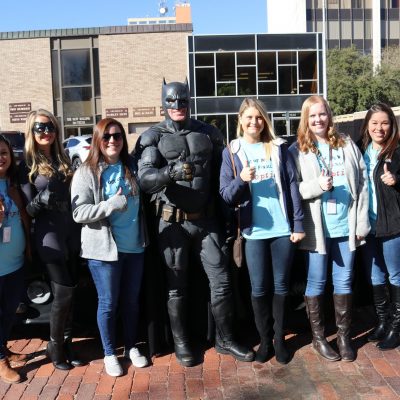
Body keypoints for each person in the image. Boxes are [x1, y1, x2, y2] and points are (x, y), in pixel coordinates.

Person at [135, 79, 254, 367]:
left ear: (190, 101)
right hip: (171, 222)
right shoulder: (152, 137)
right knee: (176, 287)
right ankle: (181, 344)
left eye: (183, 100)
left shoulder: (209, 133)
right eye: (172, 101)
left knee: (222, 282)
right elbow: (144, 179)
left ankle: (225, 340)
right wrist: (169, 173)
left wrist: (228, 219)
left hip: (207, 220)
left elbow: (222, 177)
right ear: (163, 102)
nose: (178, 106)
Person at [219, 98, 305, 364]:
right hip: (253, 231)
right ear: (240, 121)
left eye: (259, 118)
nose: (254, 122)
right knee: (258, 288)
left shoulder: (279, 148)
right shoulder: (232, 152)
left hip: (282, 230)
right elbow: (226, 195)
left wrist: (298, 224)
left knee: (281, 286)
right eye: (249, 118)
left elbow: (293, 186)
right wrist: (241, 180)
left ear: (265, 121)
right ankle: (265, 340)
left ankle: (280, 341)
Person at [289, 95, 370, 362]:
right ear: (306, 119)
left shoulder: (346, 144)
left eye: (322, 114)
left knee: (344, 280)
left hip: (346, 227)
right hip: (317, 230)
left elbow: (363, 184)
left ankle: (344, 337)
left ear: (329, 115)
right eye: (312, 116)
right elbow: (295, 190)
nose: (318, 120)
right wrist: (317, 187)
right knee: (317, 281)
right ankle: (319, 338)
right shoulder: (297, 150)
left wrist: (361, 222)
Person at [71, 118, 149, 377]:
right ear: (98, 140)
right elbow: (79, 212)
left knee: (131, 302)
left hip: (134, 247)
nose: (113, 141)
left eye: (117, 136)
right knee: (108, 303)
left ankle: (130, 347)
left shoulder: (132, 166)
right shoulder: (86, 171)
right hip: (104, 251)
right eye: (106, 137)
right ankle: (108, 352)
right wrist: (110, 205)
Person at [19, 109, 83, 370]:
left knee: (71, 293)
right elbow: (27, 211)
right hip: (48, 237)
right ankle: (55, 347)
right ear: (31, 132)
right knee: (63, 294)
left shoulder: (64, 158)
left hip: (71, 232)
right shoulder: (26, 165)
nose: (46, 132)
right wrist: (40, 200)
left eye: (50, 127)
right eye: (40, 127)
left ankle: (66, 345)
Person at [360, 103, 400, 350]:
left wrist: (396, 179)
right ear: (367, 125)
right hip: (368, 224)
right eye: (374, 123)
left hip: (392, 223)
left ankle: (397, 326)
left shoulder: (397, 151)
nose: (379, 128)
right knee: (375, 275)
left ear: (391, 125)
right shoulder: (360, 149)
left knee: (395, 274)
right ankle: (383, 321)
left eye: (384, 122)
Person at [0, 135, 30, 383]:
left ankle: (4, 347)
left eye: (4, 153)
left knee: (9, 311)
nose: (1, 158)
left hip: (16, 263)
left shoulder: (12, 184)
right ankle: (0, 361)